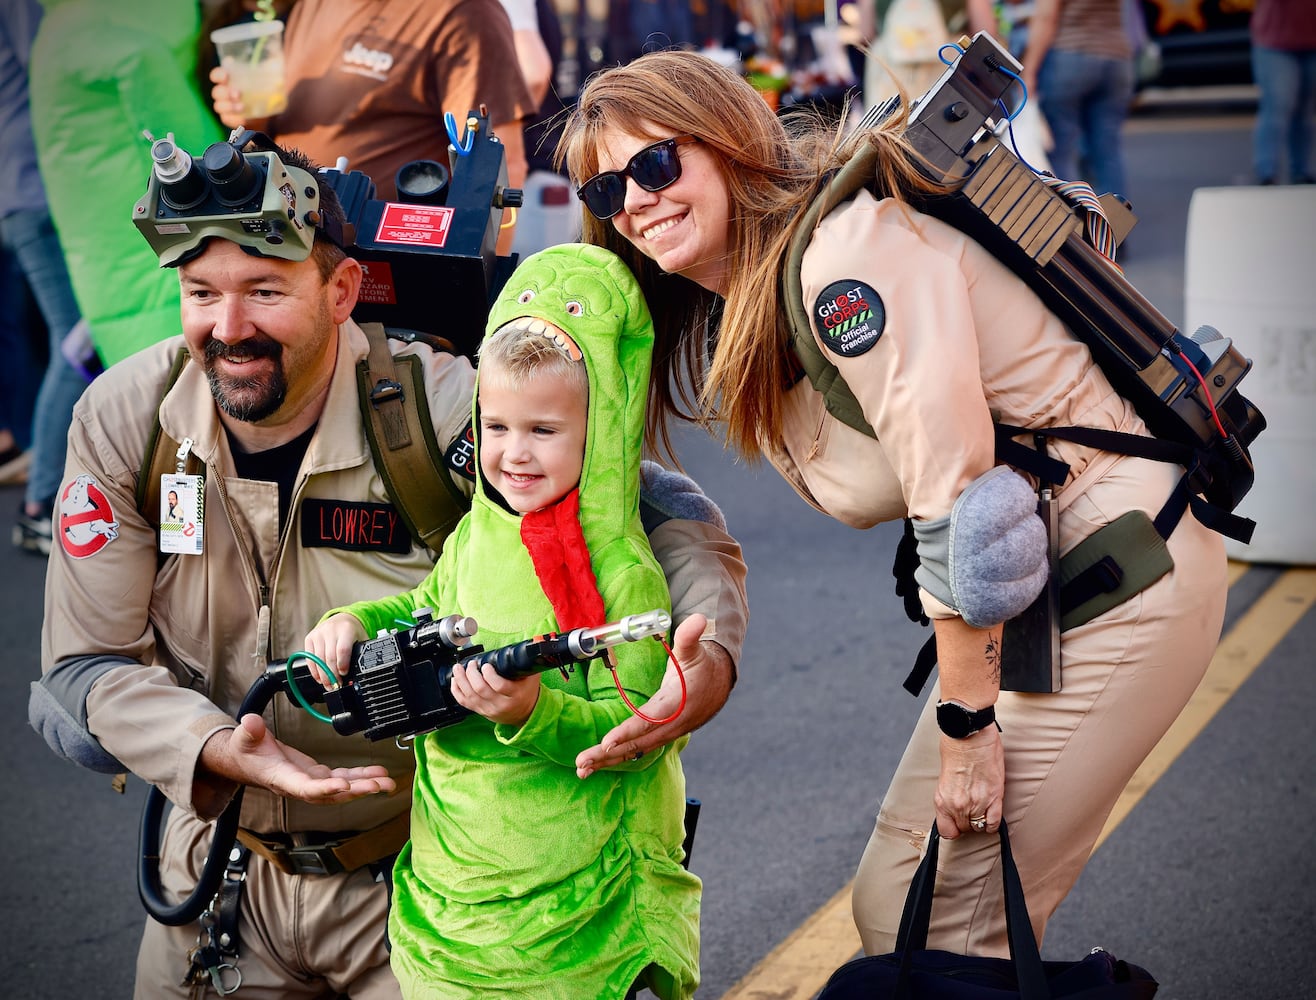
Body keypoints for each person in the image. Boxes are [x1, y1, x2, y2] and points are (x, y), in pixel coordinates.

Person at [30, 137, 747, 998]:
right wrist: (216, 747)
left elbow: (657, 515)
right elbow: (85, 663)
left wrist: (706, 663)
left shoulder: (430, 406)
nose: (228, 329)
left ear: (340, 292)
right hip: (217, 873)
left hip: (413, 892)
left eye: (264, 291)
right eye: (200, 294)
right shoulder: (127, 421)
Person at [559, 49, 1227, 957]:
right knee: (891, 909)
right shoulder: (753, 293)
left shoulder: (845, 257)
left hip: (1121, 569)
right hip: (1055, 584)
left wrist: (968, 732)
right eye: (606, 193)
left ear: (729, 143)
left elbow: (965, 510)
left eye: (656, 163)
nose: (636, 200)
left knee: (955, 930)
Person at [305, 243, 699, 998]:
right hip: (455, 894)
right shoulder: (478, 532)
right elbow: (427, 608)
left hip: (573, 914)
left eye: (543, 431)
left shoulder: (619, 572)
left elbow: (637, 732)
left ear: (602, 429)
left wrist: (534, 709)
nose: (514, 456)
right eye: (498, 428)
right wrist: (352, 619)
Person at [207, 0, 535, 254]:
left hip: (385, 276)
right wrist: (249, 115)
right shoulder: (313, 5)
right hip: (290, 257)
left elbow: (498, 173)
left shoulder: (463, 12)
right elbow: (290, 122)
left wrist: (479, 302)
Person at [28, 0, 225, 369]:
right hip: (157, 260)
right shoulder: (102, 33)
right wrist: (222, 163)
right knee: (179, 389)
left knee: (141, 394)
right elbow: (192, 147)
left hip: (109, 263)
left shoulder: (61, 28)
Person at [1, 0, 89, 555]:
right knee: (80, 337)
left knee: (70, 336)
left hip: (27, 192)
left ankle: (41, 484)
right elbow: (59, 64)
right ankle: (40, 505)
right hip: (40, 193)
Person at [1020, 0, 1135, 199]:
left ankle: (1073, 224)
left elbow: (1046, 17)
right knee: (1108, 151)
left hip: (1070, 56)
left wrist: (1028, 71)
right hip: (1116, 58)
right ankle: (1114, 225)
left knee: (1062, 150)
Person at [1249, 0, 1316, 185]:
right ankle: (1267, 172)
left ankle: (1301, 172)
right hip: (1275, 41)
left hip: (1311, 37)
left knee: (1305, 111)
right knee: (1278, 105)